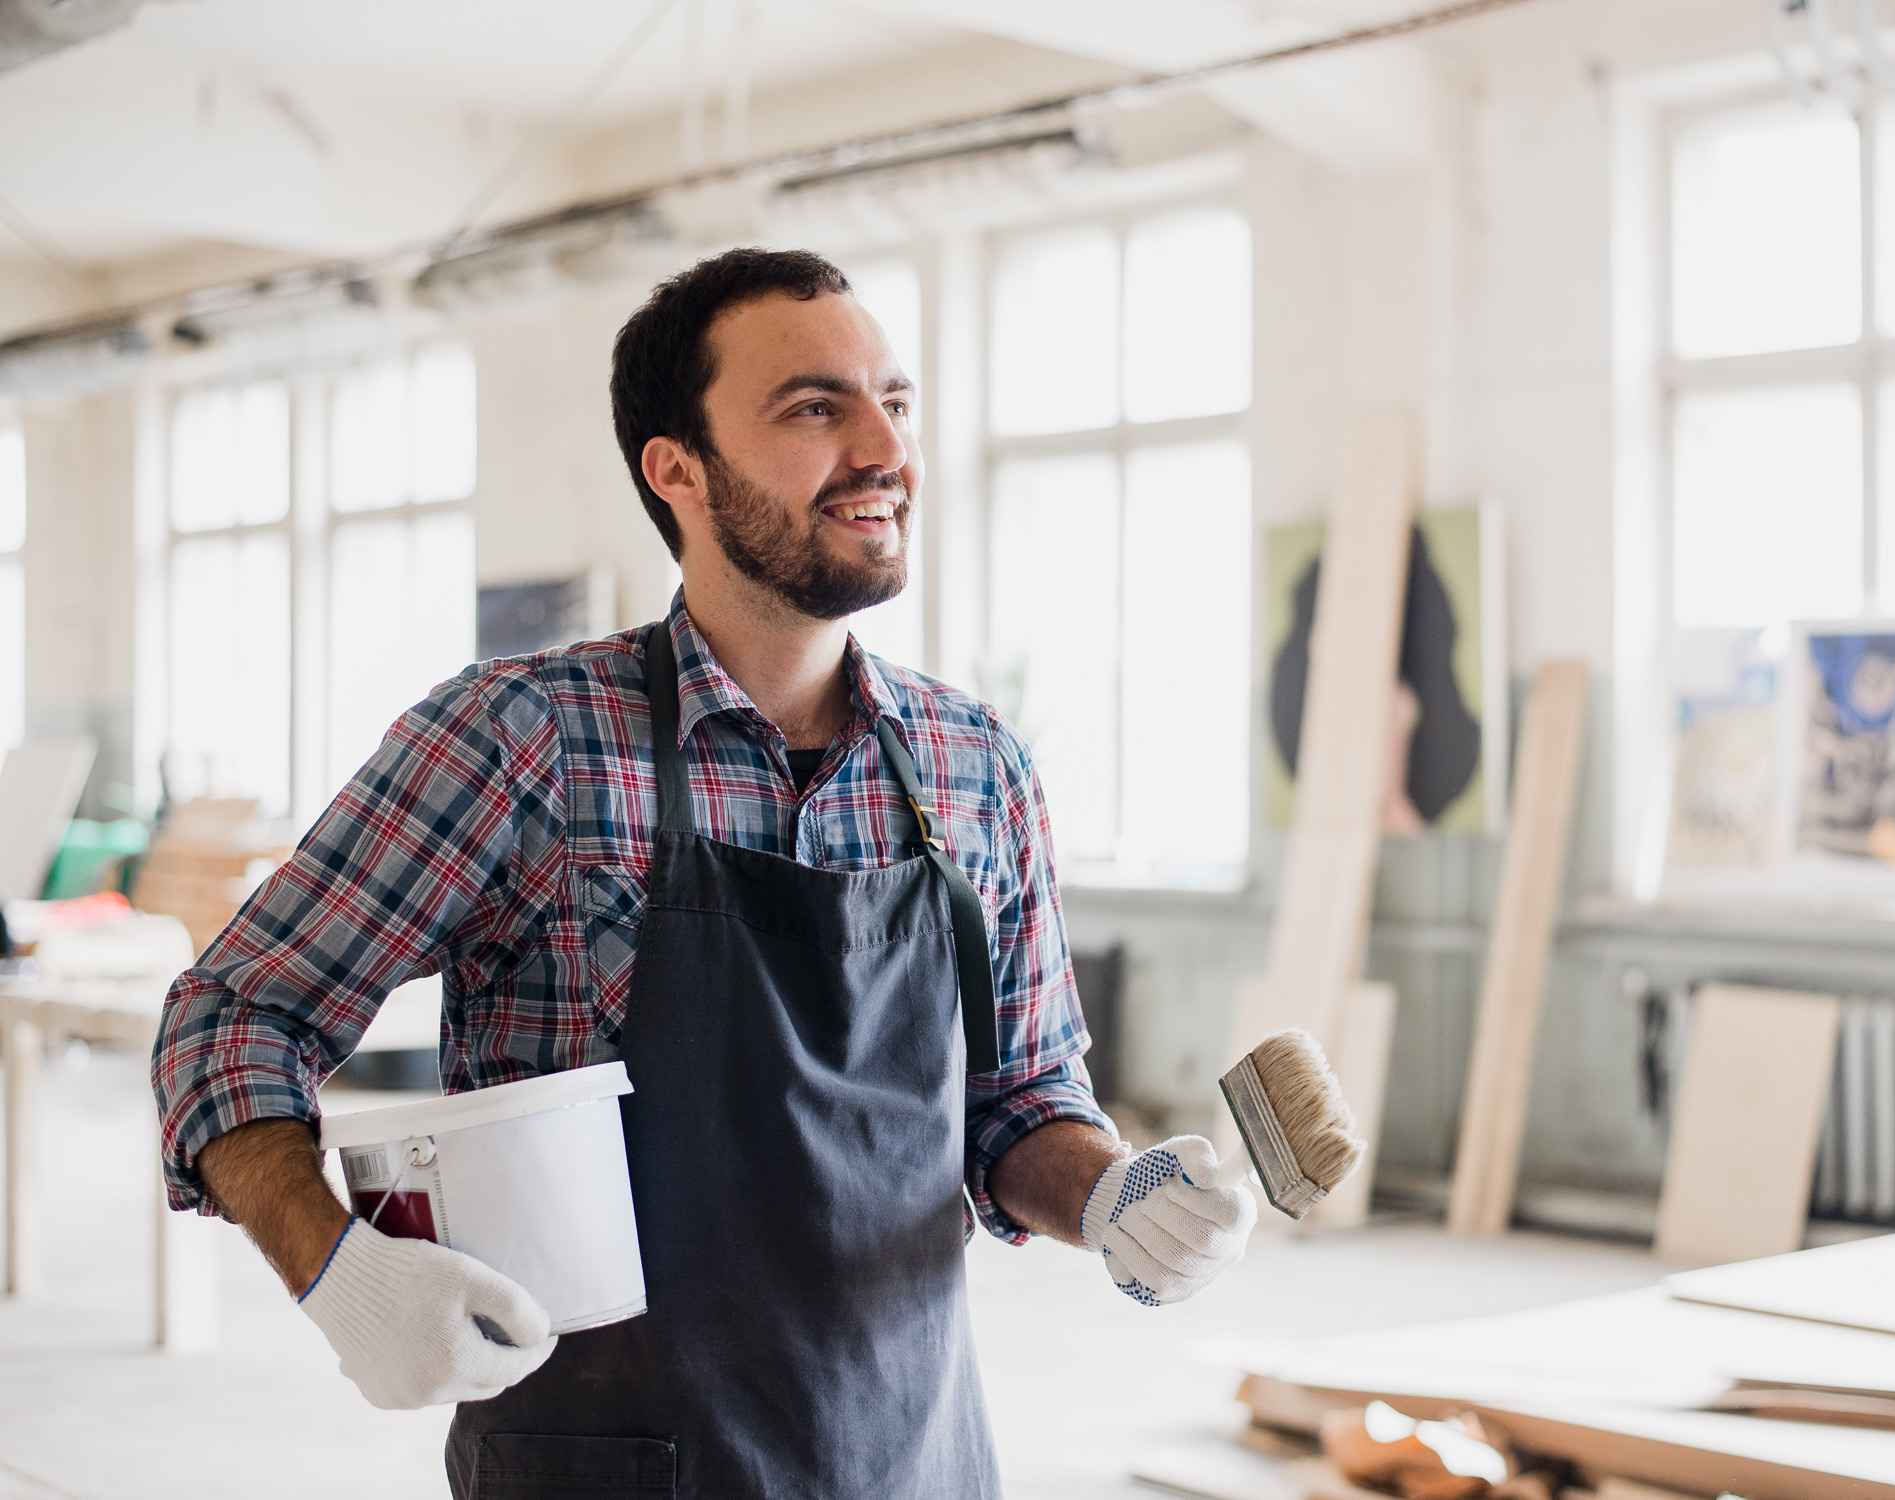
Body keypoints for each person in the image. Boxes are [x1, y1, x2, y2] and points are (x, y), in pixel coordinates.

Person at [149, 247, 1258, 1499]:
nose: (884, 448)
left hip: (914, 1457)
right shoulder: (527, 739)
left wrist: (1116, 1194)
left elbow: (1017, 1103)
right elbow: (232, 1018)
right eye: (813, 408)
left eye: (894, 402)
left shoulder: (973, 767)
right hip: (606, 1467)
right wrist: (335, 1269)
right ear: (676, 469)